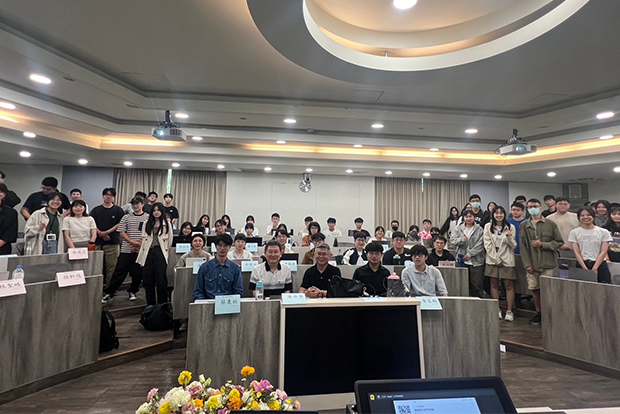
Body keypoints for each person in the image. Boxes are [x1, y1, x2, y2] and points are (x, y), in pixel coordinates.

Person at [519, 198, 563, 325]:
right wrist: (527, 264)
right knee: (535, 289)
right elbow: (523, 247)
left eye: (535, 206)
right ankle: (539, 313)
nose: (533, 208)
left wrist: (543, 244)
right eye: (530, 207)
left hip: (548, 263)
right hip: (532, 264)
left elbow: (559, 242)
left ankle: (550, 314)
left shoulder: (550, 224)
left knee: (548, 290)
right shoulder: (524, 226)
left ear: (540, 208)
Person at [102, 196, 149, 303]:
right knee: (119, 271)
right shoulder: (126, 217)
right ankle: (110, 292)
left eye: (137, 204)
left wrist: (139, 244)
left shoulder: (148, 217)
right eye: (133, 204)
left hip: (141, 250)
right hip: (126, 249)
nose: (135, 206)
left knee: (137, 273)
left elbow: (149, 233)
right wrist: (132, 243)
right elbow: (122, 232)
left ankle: (133, 291)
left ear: (142, 204)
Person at [483, 206, 517, 322]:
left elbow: (514, 245)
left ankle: (509, 311)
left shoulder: (510, 227)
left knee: (508, 285)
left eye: (501, 213)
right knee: (494, 284)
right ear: (493, 214)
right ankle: (496, 309)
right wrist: (496, 259)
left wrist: (509, 237)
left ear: (504, 214)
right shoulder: (488, 226)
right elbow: (487, 244)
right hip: (492, 258)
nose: (499, 215)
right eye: (496, 213)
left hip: (507, 258)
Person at [136, 202, 173, 306]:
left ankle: (162, 306)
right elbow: (143, 239)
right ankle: (150, 306)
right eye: (154, 210)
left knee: (161, 280)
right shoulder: (146, 223)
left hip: (160, 252)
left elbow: (170, 241)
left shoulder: (167, 224)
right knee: (148, 280)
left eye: (158, 210)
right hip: (147, 252)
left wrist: (165, 252)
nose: (156, 212)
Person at [90, 188, 125, 286]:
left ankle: (109, 288)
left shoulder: (118, 210)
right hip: (97, 242)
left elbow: (120, 223)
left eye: (111, 195)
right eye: (106, 195)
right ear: (103, 196)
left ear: (114, 197)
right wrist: (100, 233)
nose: (108, 197)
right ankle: (95, 287)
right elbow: (91, 223)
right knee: (95, 265)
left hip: (112, 242)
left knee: (111, 266)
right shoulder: (96, 210)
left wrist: (107, 232)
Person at [569, 207, 613, 284]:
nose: (585, 217)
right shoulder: (574, 232)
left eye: (588, 215)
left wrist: (595, 267)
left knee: (604, 288)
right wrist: (585, 268)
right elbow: (577, 252)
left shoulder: (603, 232)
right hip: (582, 263)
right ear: (579, 218)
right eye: (582, 215)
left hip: (600, 264)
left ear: (593, 216)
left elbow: (603, 251)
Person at [193, 233, 243, 300]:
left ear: (230, 247)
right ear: (216, 246)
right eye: (219, 245)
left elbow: (238, 292)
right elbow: (198, 292)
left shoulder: (235, 268)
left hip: (227, 303)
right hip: (208, 302)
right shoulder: (204, 267)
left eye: (225, 246)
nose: (222, 248)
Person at [451, 210, 485, 298]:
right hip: (461, 260)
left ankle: (478, 303)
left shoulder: (480, 229)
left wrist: (470, 254)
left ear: (474, 217)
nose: (468, 218)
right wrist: (462, 240)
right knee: (462, 284)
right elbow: (453, 241)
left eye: (470, 216)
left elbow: (481, 244)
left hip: (476, 261)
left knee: (476, 285)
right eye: (466, 217)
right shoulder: (458, 228)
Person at [0, 183, 18, 255]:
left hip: (3, 249)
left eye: (0, 191)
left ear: (4, 194)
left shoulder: (11, 213)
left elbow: (9, 233)